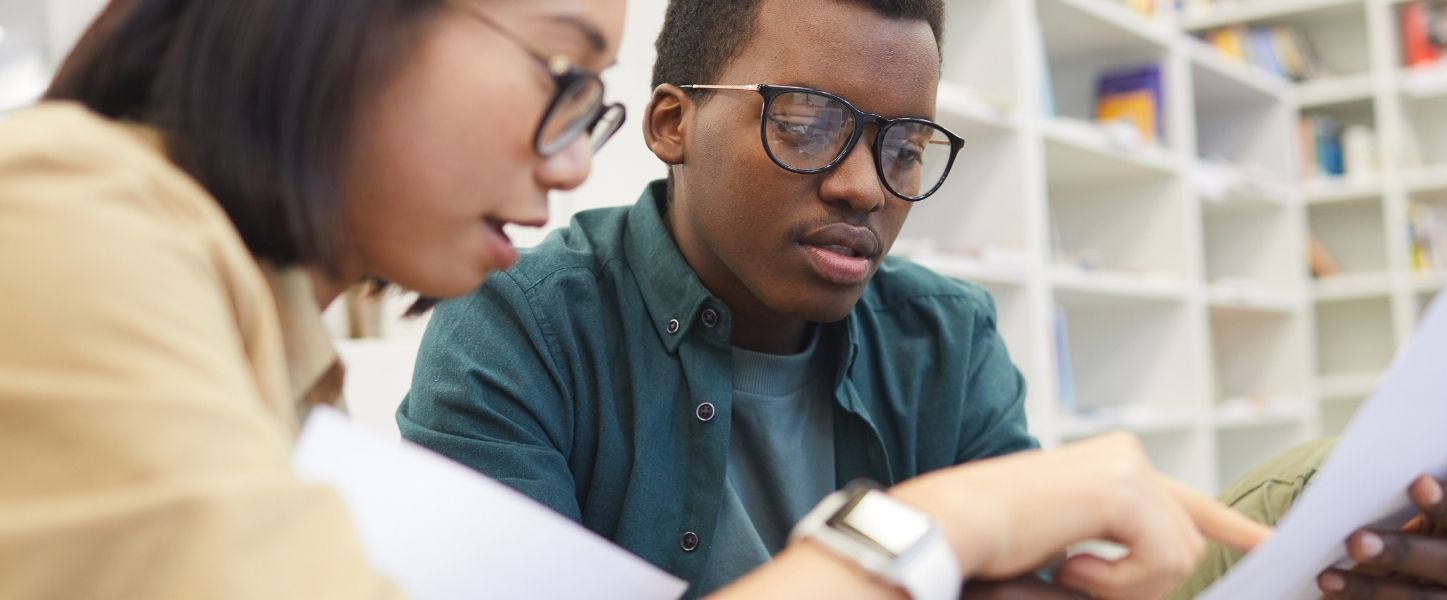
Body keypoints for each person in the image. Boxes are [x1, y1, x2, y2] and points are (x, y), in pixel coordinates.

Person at [0, 0, 1268, 598]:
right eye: (564, 70)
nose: (566, 154)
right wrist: (940, 528)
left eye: (900, 144)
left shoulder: (274, 349)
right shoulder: (65, 218)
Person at [396, 0, 1447, 598]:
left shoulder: (944, 331)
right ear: (672, 123)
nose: (860, 184)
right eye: (806, 120)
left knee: (1343, 489)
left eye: (903, 143)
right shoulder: (517, 327)